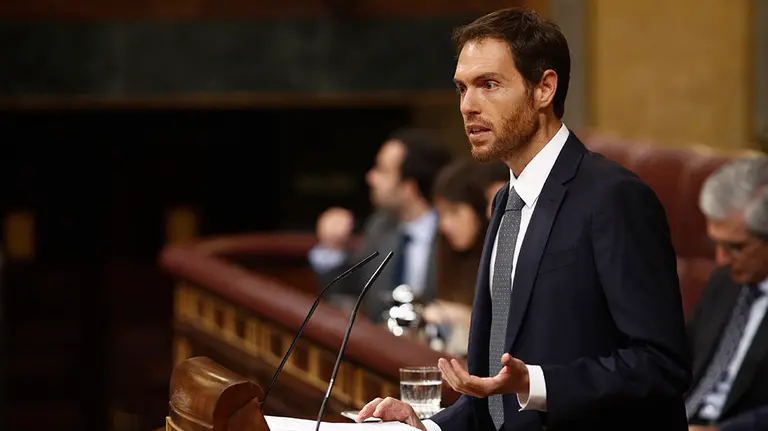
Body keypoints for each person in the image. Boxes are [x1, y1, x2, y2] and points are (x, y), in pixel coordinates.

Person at [357, 7, 690, 431]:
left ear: (544, 89)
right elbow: (492, 397)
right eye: (462, 88)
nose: (467, 106)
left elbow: (661, 365)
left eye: (489, 85)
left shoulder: (613, 197)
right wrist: (429, 426)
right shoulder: (505, 202)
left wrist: (536, 381)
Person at [309, 128, 453, 323]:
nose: (371, 178)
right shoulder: (380, 226)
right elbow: (348, 290)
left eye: (382, 170)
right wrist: (332, 247)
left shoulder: (451, 232)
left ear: (409, 187)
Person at [685, 157, 768, 431]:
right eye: (715, 244)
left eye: (736, 247)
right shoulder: (726, 280)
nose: (721, 259)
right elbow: (681, 357)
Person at [425, 160, 505, 356]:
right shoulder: (443, 251)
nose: (445, 225)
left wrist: (461, 316)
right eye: (441, 214)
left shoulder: (503, 257)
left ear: (480, 210)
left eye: (454, 212)